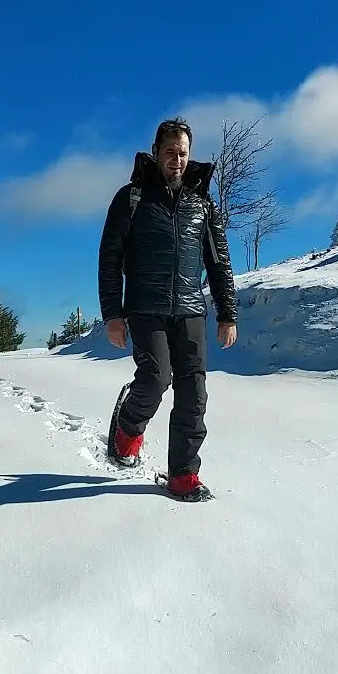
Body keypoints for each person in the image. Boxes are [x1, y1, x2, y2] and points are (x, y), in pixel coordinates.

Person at [98, 117, 237, 501]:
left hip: (191, 309)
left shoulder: (202, 204)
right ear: (156, 152)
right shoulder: (132, 198)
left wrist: (227, 313)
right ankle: (128, 429)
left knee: (194, 392)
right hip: (145, 307)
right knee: (156, 379)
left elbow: (218, 262)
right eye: (170, 152)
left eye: (183, 153)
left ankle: (183, 476)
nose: (176, 159)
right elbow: (111, 258)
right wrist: (113, 314)